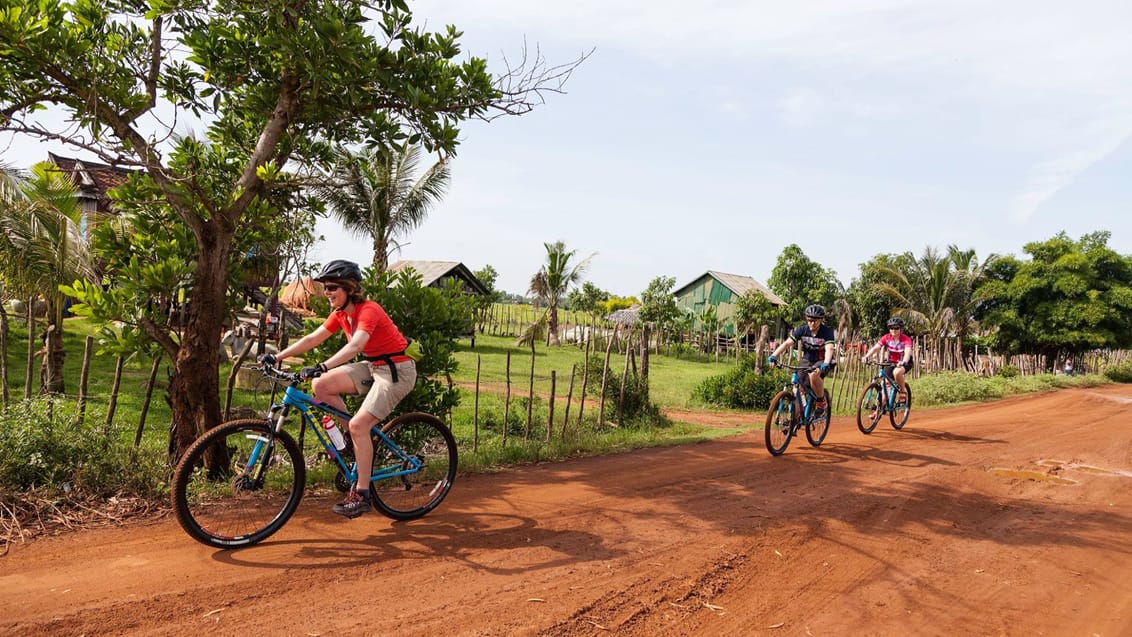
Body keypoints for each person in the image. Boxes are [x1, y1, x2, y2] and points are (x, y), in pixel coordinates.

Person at [258, 259, 417, 518]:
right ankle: (355, 445)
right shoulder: (341, 314)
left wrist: (322, 364)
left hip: (397, 372)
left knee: (358, 425)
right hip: (375, 366)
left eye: (332, 287)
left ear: (349, 289)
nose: (327, 292)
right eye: (325, 287)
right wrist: (276, 357)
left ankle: (362, 494)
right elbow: (312, 338)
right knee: (321, 385)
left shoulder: (369, 310)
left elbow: (356, 346)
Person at [768, 304, 837, 414]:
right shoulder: (802, 330)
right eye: (809, 320)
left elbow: (829, 348)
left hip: (823, 359)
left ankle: (821, 401)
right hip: (807, 360)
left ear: (820, 320)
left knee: (814, 375)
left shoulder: (827, 331)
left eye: (815, 321)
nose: (812, 323)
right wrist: (774, 355)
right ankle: (794, 420)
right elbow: (787, 344)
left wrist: (826, 362)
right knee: (797, 389)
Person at [861, 316, 913, 402]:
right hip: (891, 361)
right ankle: (879, 410)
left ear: (901, 329)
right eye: (891, 328)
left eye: (896, 328)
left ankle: (903, 391)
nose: (893, 330)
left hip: (905, 362)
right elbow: (875, 348)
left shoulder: (906, 339)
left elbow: (907, 353)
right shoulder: (886, 337)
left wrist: (903, 362)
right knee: (885, 384)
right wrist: (866, 356)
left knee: (896, 372)